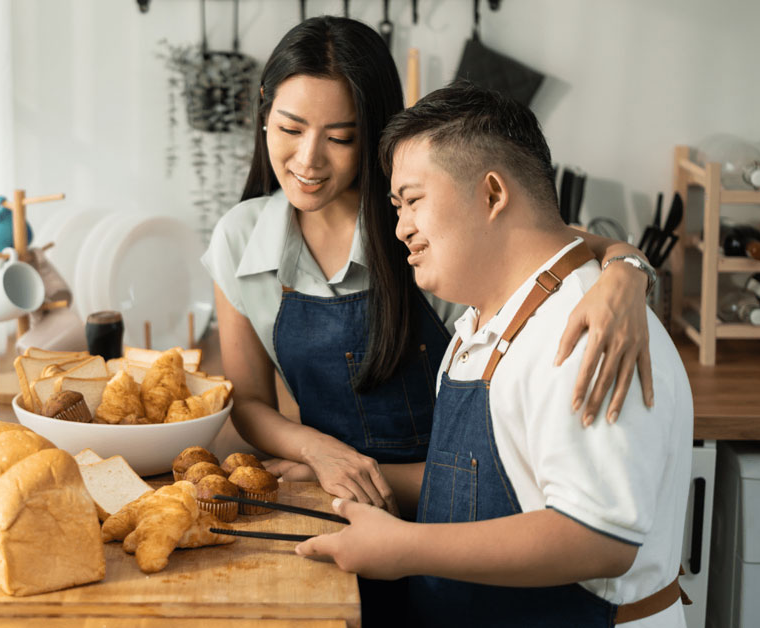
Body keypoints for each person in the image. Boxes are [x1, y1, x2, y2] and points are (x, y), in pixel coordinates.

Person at [200, 16, 658, 515]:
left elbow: (553, 242)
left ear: (372, 133)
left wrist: (628, 272)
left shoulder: (423, 227)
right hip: (334, 494)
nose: (309, 159)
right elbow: (248, 403)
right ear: (264, 109)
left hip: (459, 503)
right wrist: (320, 454)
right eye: (291, 128)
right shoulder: (239, 239)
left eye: (340, 138)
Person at [296, 82, 693, 627]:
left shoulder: (583, 329)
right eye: (395, 206)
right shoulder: (486, 323)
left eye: (412, 200)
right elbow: (468, 486)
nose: (400, 228)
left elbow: (597, 538)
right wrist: (328, 475)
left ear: (492, 194)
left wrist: (405, 547)